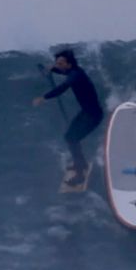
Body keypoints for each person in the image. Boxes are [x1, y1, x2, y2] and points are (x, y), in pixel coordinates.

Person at [33, 49, 104, 187]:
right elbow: (63, 72)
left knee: (72, 139)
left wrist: (43, 98)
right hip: (86, 112)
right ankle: (81, 164)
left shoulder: (75, 76)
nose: (57, 64)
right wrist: (53, 68)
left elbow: (63, 87)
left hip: (93, 116)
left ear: (69, 64)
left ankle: (80, 175)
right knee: (69, 137)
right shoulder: (74, 71)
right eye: (57, 62)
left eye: (60, 63)